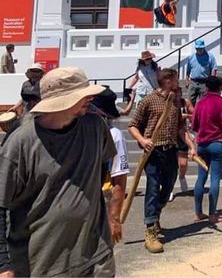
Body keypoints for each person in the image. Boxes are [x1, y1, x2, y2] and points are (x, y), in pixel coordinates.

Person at [0, 67, 118, 276]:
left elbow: (101, 172)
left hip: (96, 256)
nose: (90, 98)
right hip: (43, 265)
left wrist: (109, 215)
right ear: (61, 101)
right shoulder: (20, 143)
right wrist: (3, 265)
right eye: (82, 95)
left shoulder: (96, 127)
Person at [128, 68, 197, 254]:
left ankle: (156, 213)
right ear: (167, 80)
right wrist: (143, 140)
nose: (177, 82)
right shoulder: (148, 100)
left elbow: (180, 128)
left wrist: (191, 146)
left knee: (168, 187)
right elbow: (132, 125)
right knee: (152, 187)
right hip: (153, 151)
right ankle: (150, 230)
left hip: (170, 149)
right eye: (175, 79)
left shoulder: (174, 101)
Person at [192, 76, 222, 224]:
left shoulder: (200, 102)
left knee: (201, 177)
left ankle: (198, 212)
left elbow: (194, 124)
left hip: (202, 143)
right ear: (220, 87)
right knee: (215, 178)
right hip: (217, 143)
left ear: (206, 87)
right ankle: (212, 214)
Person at [91, 87, 129, 247]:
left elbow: (119, 180)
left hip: (102, 201)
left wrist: (114, 219)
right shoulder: (78, 132)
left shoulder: (114, 136)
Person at [121, 50, 160, 115]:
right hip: (141, 90)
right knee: (140, 109)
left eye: (150, 58)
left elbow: (158, 78)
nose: (149, 60)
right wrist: (129, 87)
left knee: (151, 109)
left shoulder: (154, 67)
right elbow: (136, 78)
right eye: (147, 59)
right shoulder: (140, 67)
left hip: (152, 90)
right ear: (143, 60)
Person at [185, 39, 218, 106]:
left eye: (200, 48)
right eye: (197, 49)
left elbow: (214, 69)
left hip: (204, 82)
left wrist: (211, 82)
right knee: (190, 102)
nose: (199, 50)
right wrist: (186, 80)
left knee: (204, 102)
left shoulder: (210, 57)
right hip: (193, 82)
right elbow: (188, 71)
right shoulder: (191, 57)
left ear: (204, 48)